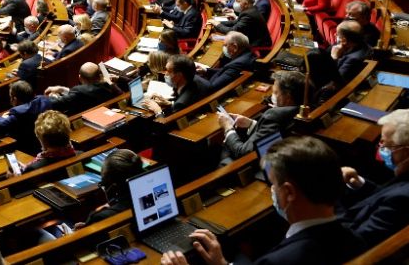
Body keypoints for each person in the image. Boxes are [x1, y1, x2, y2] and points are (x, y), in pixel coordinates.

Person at [161, 136, 364, 265]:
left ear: (289, 193)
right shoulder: (352, 235)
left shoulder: (281, 260)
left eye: (273, 184)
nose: (272, 191)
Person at [337, 108, 409, 246]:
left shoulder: (403, 199)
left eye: (386, 144)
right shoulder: (403, 182)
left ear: (405, 151)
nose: (381, 148)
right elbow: (385, 197)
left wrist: (325, 202)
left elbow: (353, 242)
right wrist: (359, 183)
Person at [219, 70, 302, 164]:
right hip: (280, 155)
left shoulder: (274, 115)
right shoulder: (299, 110)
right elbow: (274, 133)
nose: (272, 96)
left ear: (288, 97)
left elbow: (243, 153)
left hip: (262, 166)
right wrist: (251, 124)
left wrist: (228, 128)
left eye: (275, 92)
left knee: (223, 151)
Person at [142, 54, 207, 117]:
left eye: (168, 71)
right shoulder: (197, 79)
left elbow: (168, 126)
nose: (165, 74)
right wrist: (169, 103)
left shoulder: (180, 104)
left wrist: (157, 110)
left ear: (179, 75)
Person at [45, 62, 118, 115]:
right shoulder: (108, 83)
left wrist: (53, 96)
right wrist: (62, 89)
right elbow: (84, 93)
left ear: (80, 78)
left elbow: (56, 104)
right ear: (99, 75)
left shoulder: (79, 91)